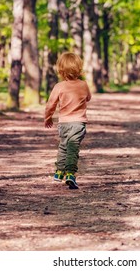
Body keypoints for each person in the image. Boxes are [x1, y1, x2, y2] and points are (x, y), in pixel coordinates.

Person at [45, 52, 92, 189]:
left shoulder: (59, 87)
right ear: (79, 68)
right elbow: (88, 98)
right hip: (78, 123)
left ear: (60, 70)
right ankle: (70, 174)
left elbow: (50, 105)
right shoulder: (83, 85)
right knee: (73, 148)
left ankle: (59, 172)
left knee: (63, 146)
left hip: (63, 123)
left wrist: (48, 118)